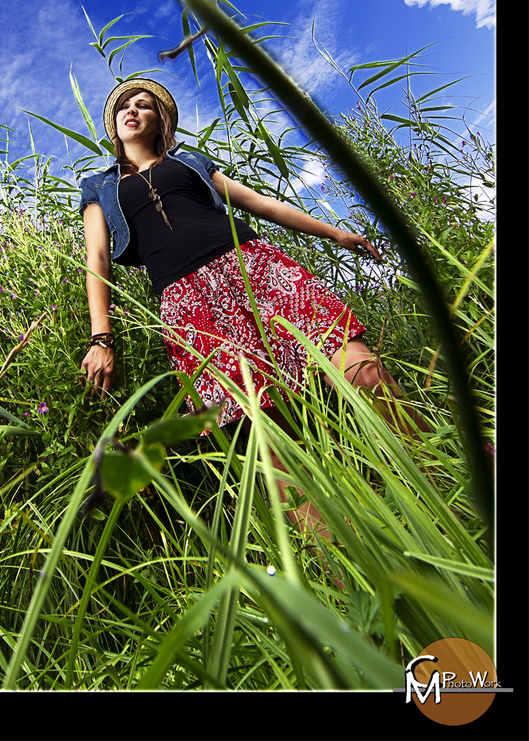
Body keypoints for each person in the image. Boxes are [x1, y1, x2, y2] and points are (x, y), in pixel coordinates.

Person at [79, 78, 428, 553]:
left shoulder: (189, 162)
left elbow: (259, 204)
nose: (133, 110)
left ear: (162, 122)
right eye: (125, 106)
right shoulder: (99, 188)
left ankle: (445, 473)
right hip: (190, 307)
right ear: (115, 124)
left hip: (254, 268)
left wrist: (335, 233)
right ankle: (349, 575)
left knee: (358, 366)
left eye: (145, 105)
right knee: (267, 438)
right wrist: (102, 339)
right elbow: (97, 261)